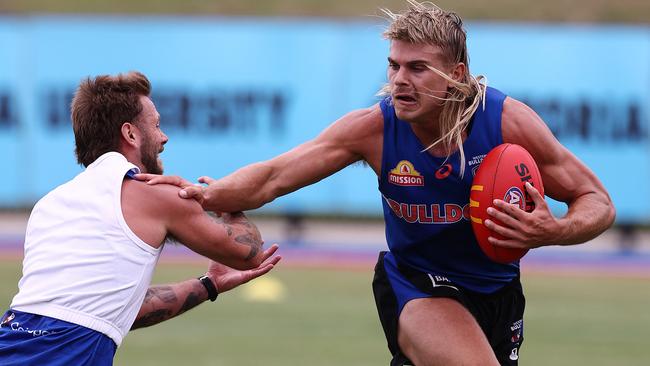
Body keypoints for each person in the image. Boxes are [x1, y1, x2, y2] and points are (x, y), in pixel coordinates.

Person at [140, 2, 615, 365]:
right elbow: (274, 177)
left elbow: (596, 201)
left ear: (456, 75)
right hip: (417, 285)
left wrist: (554, 232)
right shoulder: (374, 128)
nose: (399, 80)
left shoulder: (507, 124)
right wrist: (210, 194)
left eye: (417, 68)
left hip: (498, 293)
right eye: (394, 65)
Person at [0, 71, 281, 365]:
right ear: (130, 134)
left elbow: (111, 310)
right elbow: (247, 254)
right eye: (157, 125)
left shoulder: (50, 204)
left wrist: (209, 284)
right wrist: (228, 200)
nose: (164, 137)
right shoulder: (155, 195)